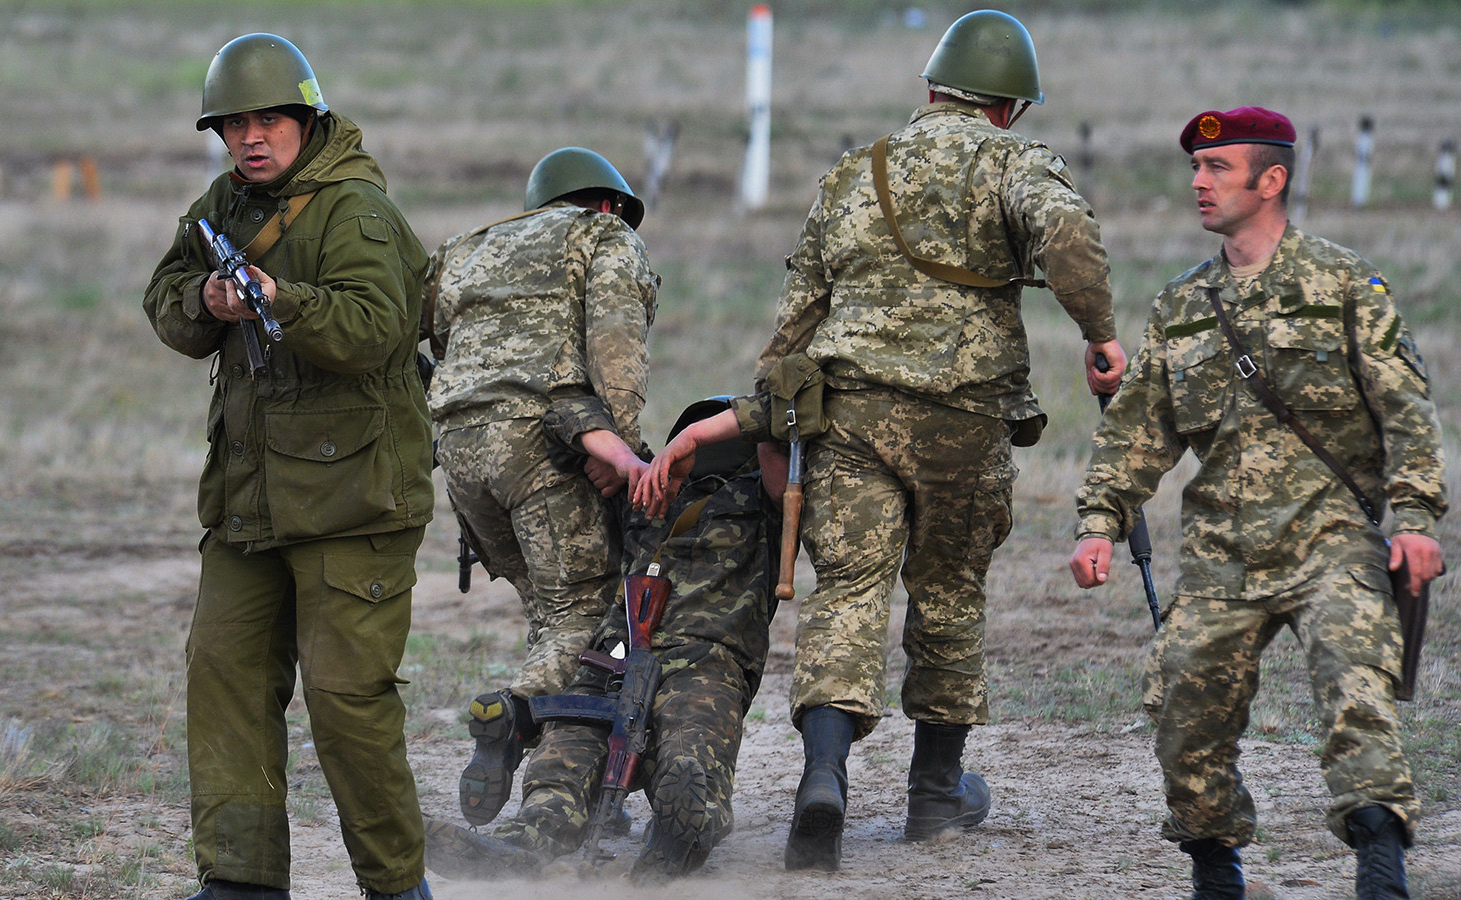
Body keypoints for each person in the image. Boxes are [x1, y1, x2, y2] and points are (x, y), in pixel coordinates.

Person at [747, 10, 1124, 871]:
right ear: (1009, 108)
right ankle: (934, 795)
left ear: (932, 89)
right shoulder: (1015, 163)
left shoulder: (854, 171)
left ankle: (825, 779)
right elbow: (1067, 236)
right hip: (964, 421)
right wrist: (1099, 334)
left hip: (851, 417)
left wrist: (770, 417)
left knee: (848, 588)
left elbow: (797, 313)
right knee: (949, 592)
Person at [1069, 106, 1445, 900]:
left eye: (1218, 170)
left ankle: (1381, 869)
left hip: (1331, 538)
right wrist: (1100, 523)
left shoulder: (1343, 284)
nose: (1198, 184)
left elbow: (1406, 409)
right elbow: (1139, 432)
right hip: (1222, 554)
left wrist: (1413, 520)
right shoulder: (1182, 307)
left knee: (1357, 694)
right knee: (1182, 712)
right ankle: (1216, 868)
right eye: (1195, 170)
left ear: (1271, 181)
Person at [143, 33, 433, 900]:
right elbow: (164, 294)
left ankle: (395, 888)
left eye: (267, 119)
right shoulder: (222, 205)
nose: (249, 138)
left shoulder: (358, 212)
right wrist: (209, 298)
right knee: (223, 679)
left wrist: (278, 297)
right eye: (233, 125)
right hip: (249, 504)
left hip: (355, 505)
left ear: (305, 119)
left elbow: (376, 327)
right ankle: (240, 882)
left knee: (348, 704)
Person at [422, 395, 778, 881]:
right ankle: (524, 842)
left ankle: (677, 837)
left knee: (690, 758)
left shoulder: (766, 503)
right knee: (564, 754)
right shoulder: (646, 492)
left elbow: (785, 409)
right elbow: (561, 418)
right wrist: (628, 462)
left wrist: (696, 437)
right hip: (615, 657)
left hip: (706, 658)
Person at [420, 147, 659, 827]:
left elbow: (414, 337)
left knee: (554, 618)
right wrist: (619, 444)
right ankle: (519, 716)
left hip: (461, 451)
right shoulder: (603, 236)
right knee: (586, 617)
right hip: (547, 446)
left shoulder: (468, 249)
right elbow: (616, 345)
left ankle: (580, 775)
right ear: (610, 203)